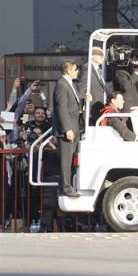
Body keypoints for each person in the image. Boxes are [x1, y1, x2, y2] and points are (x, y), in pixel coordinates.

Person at [51, 61, 82, 197]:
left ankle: (70, 185)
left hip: (75, 128)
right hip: (67, 130)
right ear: (68, 70)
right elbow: (61, 108)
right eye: (75, 69)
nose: (77, 71)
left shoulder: (71, 85)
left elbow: (74, 104)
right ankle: (66, 187)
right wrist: (67, 129)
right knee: (66, 160)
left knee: (72, 159)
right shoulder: (62, 85)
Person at [79, 46, 108, 125]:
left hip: (100, 107)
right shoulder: (87, 68)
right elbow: (82, 87)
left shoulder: (98, 70)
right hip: (92, 108)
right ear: (92, 55)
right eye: (100, 54)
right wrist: (82, 105)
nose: (102, 57)